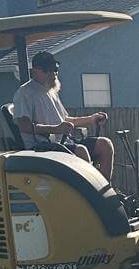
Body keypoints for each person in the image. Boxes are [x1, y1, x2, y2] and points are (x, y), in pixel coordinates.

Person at [12, 51, 115, 181]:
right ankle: (88, 190)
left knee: (105, 144)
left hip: (63, 144)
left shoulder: (51, 92)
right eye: (49, 70)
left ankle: (104, 188)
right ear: (36, 70)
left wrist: (92, 119)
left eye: (56, 70)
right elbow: (24, 127)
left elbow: (64, 121)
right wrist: (55, 129)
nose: (54, 74)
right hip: (41, 148)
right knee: (81, 151)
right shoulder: (25, 93)